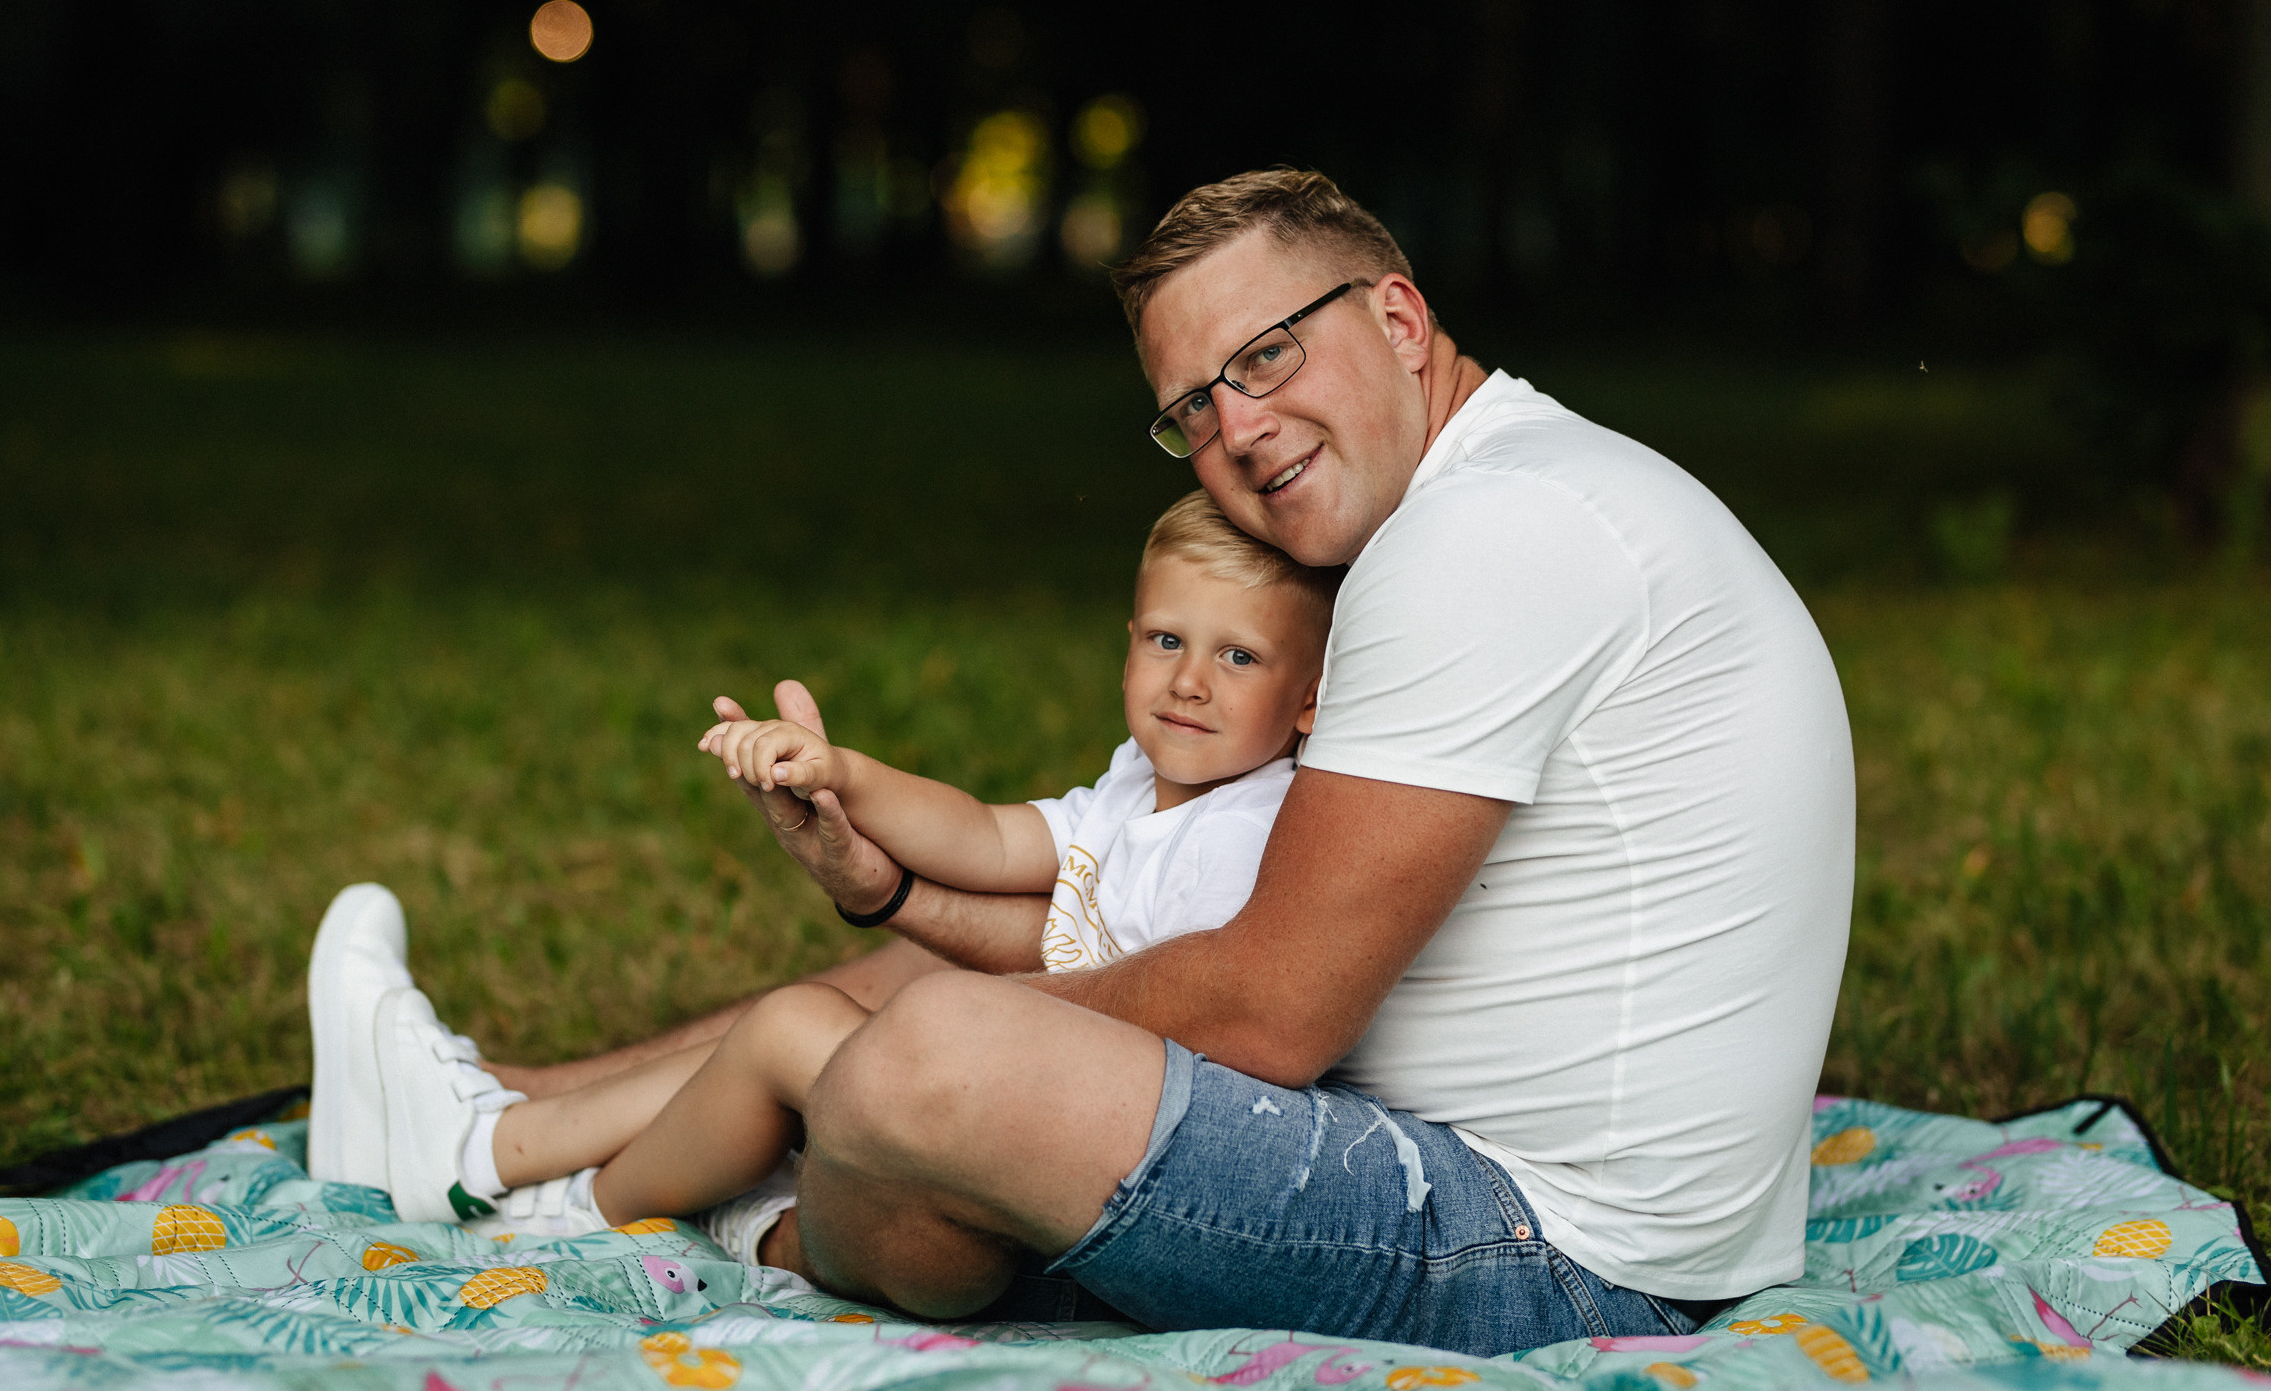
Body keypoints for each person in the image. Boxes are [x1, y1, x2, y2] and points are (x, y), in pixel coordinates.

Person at [514, 168, 1855, 1356]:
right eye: (1192, 410)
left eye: (1266, 358)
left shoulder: (1483, 536)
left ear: (1398, 319)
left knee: (931, 1061)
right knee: (998, 970)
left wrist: (896, 1055)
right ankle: (526, 1111)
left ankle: (768, 1208)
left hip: (1558, 1262)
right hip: (1545, 1201)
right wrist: (893, 900)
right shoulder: (1514, 492)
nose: (1239, 429)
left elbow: (1273, 1012)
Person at [308, 491, 1342, 1260]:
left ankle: (514, 1167)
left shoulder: (1248, 830)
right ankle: (519, 1152)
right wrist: (843, 774)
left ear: (1309, 699)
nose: (1190, 681)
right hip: (1044, 1095)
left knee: (801, 1028)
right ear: (1127, 648)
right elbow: (985, 837)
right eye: (1167, 639)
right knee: (820, 1018)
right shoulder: (1143, 789)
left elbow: (1164, 1016)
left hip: (1100, 1149)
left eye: (1239, 657)